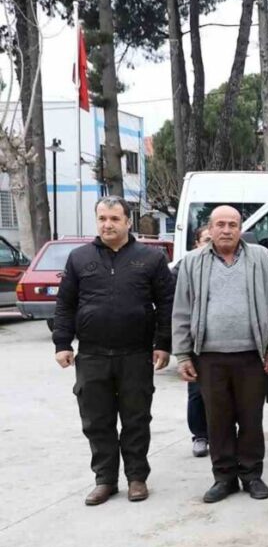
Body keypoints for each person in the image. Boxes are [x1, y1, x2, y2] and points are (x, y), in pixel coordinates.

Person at [54, 196, 174, 506]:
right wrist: (62, 343)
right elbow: (65, 304)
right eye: (102, 218)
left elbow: (166, 304)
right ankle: (105, 480)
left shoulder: (150, 258)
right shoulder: (79, 258)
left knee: (136, 418)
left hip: (135, 354)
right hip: (92, 355)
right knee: (97, 421)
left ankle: (136, 477)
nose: (108, 224)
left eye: (114, 219)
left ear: (128, 221)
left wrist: (163, 343)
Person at [173, 205, 268, 503]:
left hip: (252, 355)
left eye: (232, 224)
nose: (226, 230)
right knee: (218, 420)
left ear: (240, 228)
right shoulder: (192, 262)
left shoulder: (261, 258)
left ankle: (251, 475)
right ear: (209, 229)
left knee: (251, 418)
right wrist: (183, 354)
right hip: (209, 357)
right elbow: (182, 311)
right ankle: (224, 477)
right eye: (220, 224)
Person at [184, 225, 212, 458]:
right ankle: (200, 435)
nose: (210, 243)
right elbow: (178, 309)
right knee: (196, 393)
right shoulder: (187, 267)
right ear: (197, 243)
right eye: (206, 239)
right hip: (197, 343)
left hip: (224, 346)